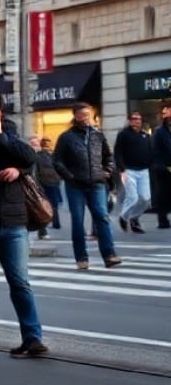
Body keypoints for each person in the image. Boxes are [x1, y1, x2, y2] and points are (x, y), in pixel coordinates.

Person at [0, 94, 46, 357]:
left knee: (20, 283)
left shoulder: (9, 132)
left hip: (14, 221)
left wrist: (2, 138)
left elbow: (29, 159)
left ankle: (33, 338)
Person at [53, 102, 122, 270]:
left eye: (87, 114)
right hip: (75, 185)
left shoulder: (98, 135)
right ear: (75, 115)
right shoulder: (66, 137)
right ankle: (81, 258)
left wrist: (107, 171)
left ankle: (109, 255)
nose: (85, 118)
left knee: (102, 217)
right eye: (82, 114)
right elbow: (57, 161)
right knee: (78, 221)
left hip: (97, 183)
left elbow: (108, 156)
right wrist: (70, 176)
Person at [114, 111, 152, 234]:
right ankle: (124, 217)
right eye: (134, 118)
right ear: (130, 121)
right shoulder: (123, 135)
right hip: (129, 170)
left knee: (146, 199)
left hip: (144, 171)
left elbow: (151, 152)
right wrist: (122, 170)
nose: (137, 121)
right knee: (133, 197)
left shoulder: (145, 135)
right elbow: (118, 153)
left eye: (139, 119)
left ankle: (134, 218)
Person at [33, 137, 63, 234]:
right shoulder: (53, 156)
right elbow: (59, 169)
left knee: (43, 205)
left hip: (43, 183)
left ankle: (43, 229)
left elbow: (35, 171)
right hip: (52, 183)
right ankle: (55, 223)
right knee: (54, 204)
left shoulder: (38, 156)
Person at [150, 103, 171, 229]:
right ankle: (162, 220)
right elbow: (155, 151)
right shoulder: (159, 132)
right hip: (163, 168)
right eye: (166, 114)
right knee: (163, 194)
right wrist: (161, 165)